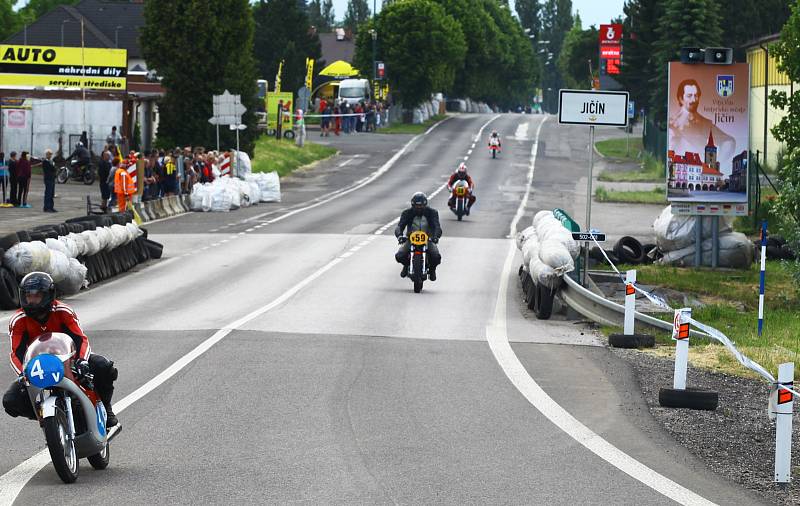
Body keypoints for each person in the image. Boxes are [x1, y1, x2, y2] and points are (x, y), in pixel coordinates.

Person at [3, 272, 119, 427]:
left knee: (104, 367)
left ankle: (106, 407)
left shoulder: (63, 311)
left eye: (36, 296)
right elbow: (16, 353)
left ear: (48, 295)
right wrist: (23, 374)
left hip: (69, 360)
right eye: (28, 296)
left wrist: (81, 361)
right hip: (39, 366)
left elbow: (80, 339)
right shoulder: (19, 319)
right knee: (10, 400)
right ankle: (50, 419)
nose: (31, 300)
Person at [668, 78, 735, 163]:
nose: (694, 100)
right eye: (689, 96)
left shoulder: (705, 123)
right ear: (681, 98)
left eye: (696, 95)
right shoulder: (672, 124)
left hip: (702, 169)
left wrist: (716, 164)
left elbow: (729, 141)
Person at [394, 192, 443, 281]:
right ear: (413, 205)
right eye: (417, 206)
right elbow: (400, 226)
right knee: (399, 256)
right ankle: (406, 265)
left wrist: (436, 236)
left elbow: (437, 226)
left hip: (428, 239)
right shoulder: (407, 213)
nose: (419, 208)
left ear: (425, 204)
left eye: (421, 206)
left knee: (436, 256)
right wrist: (400, 236)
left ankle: (432, 270)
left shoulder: (432, 213)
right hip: (411, 239)